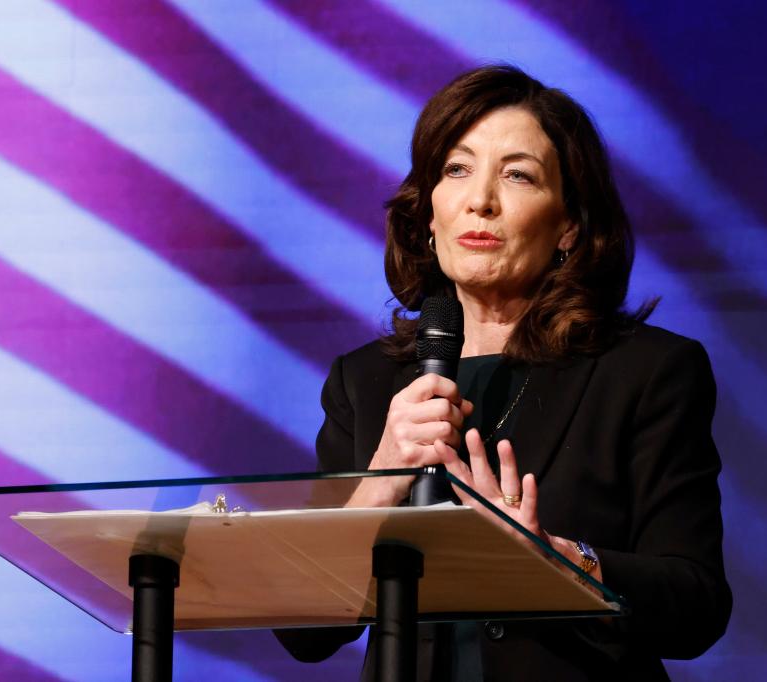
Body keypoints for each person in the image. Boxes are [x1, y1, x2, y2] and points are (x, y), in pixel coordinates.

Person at [275, 65, 731, 681]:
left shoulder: (646, 372)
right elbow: (302, 634)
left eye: (518, 175)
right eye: (456, 170)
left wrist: (557, 562)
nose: (480, 200)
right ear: (429, 216)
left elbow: (696, 604)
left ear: (568, 225)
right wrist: (380, 481)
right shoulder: (366, 382)